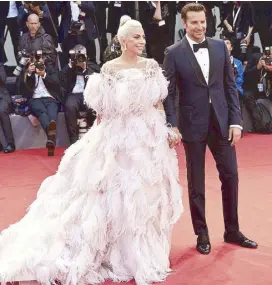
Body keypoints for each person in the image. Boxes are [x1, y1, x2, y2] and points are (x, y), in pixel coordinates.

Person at [0, 16, 182, 285]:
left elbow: (157, 103)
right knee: (114, 195)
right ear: (122, 41)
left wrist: (168, 128)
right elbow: (103, 110)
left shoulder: (152, 67)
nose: (142, 41)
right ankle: (113, 251)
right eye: (136, 37)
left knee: (145, 197)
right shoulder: (109, 69)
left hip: (148, 137)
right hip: (119, 137)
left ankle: (139, 254)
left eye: (143, 37)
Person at [163, 3, 257, 255]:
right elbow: (169, 93)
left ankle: (232, 230)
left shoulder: (218, 47)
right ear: (184, 24)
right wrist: (171, 124)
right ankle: (201, 233)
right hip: (191, 124)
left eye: (202, 21)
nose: (200, 26)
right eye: (194, 22)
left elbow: (229, 87)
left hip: (222, 122)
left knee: (231, 175)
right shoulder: (173, 53)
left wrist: (236, 121)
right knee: (196, 182)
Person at [0, 63, 15, 153]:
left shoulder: (0, 66)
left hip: (2, 97)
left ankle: (10, 143)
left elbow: (3, 79)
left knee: (1, 111)